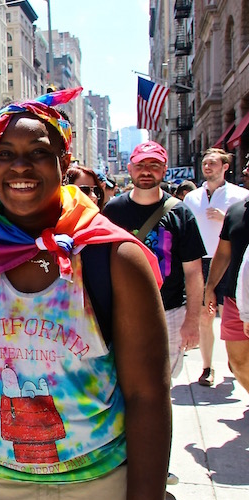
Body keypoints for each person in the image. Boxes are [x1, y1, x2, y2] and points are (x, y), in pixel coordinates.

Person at [0, 88, 170, 500]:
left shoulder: (115, 258)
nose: (20, 166)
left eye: (37, 153)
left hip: (96, 486)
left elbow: (148, 396)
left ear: (65, 162)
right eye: (5, 153)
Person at [103, 141, 205, 381]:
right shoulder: (113, 211)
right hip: (123, 311)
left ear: (164, 169)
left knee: (162, 382)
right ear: (130, 168)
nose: (146, 171)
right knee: (124, 381)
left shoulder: (180, 212)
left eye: (154, 165)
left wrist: (192, 320)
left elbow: (193, 272)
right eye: (141, 165)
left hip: (169, 311)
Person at [183, 148, 249, 386]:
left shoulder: (240, 196)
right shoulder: (191, 198)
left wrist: (225, 218)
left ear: (225, 167)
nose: (207, 167)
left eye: (212, 163)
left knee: (234, 313)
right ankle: (207, 367)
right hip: (201, 261)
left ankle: (235, 360)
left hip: (233, 262)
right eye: (205, 163)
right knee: (204, 316)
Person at [202, 196, 249, 392]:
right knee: (237, 362)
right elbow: (222, 253)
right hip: (235, 300)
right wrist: (210, 287)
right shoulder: (236, 211)